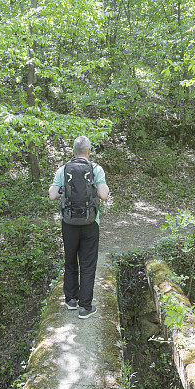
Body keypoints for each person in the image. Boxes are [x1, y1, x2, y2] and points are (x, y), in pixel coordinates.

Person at [48, 136, 110, 319]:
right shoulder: (96, 169)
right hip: (91, 223)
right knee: (88, 265)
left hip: (69, 223)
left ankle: (71, 300)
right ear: (89, 151)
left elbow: (52, 195)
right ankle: (85, 307)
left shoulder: (63, 169)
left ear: (73, 152)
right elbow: (104, 195)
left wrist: (63, 190)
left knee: (70, 260)